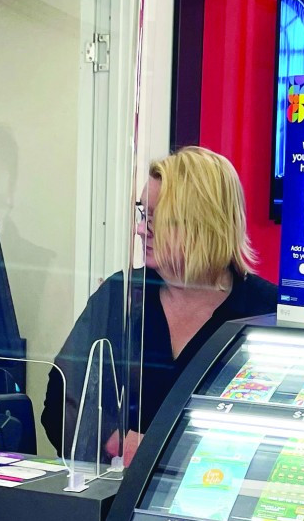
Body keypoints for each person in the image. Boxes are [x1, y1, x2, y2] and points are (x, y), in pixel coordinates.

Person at [44, 146, 277, 461]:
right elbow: (62, 401)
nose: (141, 230)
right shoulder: (121, 296)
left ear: (205, 224)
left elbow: (275, 431)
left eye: (158, 220)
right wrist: (121, 444)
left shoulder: (266, 311)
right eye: (144, 215)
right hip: (116, 494)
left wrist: (171, 454)